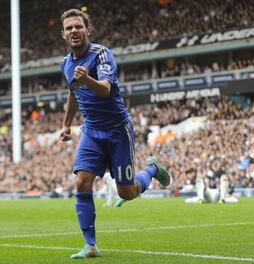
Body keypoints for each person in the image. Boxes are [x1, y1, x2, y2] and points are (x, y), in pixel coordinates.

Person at [58, 9, 171, 259]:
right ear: (63, 34)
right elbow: (72, 91)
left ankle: (152, 169)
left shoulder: (101, 54)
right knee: (81, 181)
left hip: (118, 130)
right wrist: (66, 124)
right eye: (69, 28)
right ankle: (90, 245)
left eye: (78, 26)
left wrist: (87, 79)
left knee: (126, 193)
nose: (74, 31)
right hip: (91, 131)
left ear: (88, 30)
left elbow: (106, 90)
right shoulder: (66, 64)